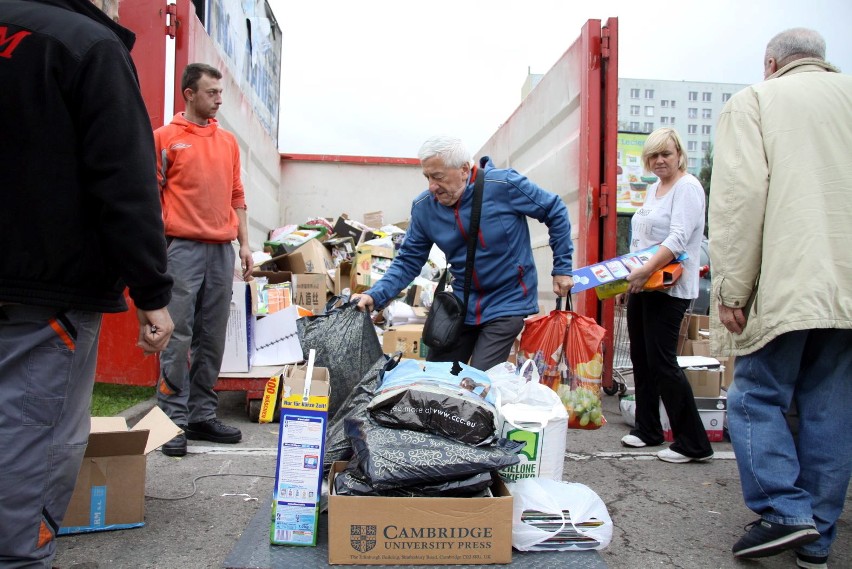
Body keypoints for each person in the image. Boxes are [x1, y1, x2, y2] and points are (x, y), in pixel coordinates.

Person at [0, 0, 175, 565]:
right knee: (29, 435)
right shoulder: (83, 45)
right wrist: (152, 293)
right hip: (41, 293)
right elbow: (125, 183)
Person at [709, 28, 852, 567]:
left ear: (771, 63)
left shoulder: (756, 101)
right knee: (830, 406)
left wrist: (732, 288)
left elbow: (741, 199)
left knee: (755, 395)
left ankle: (783, 510)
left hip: (790, 278)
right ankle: (817, 538)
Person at [353, 135, 574, 371]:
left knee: (478, 379)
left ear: (464, 170)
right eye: (427, 177)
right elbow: (408, 260)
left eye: (438, 177)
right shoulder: (424, 207)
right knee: (438, 376)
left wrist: (562, 267)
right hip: (462, 303)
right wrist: (375, 295)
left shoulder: (504, 186)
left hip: (508, 300)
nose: (432, 186)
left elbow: (555, 210)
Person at [155, 63, 253, 457]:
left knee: (212, 337)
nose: (218, 99)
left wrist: (245, 246)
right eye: (211, 92)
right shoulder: (165, 138)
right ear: (189, 94)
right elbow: (150, 196)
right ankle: (170, 422)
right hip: (181, 248)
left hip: (221, 250)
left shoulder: (227, 141)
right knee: (176, 336)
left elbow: (237, 195)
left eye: (220, 92)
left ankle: (200, 416)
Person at [619, 128, 713, 464]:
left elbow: (677, 239)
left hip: (668, 288)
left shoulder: (687, 187)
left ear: (679, 155)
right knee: (641, 359)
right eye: (654, 155)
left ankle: (693, 443)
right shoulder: (655, 188)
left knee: (662, 362)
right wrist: (625, 281)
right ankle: (648, 430)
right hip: (644, 283)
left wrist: (644, 272)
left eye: (666, 154)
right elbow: (640, 242)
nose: (660, 161)